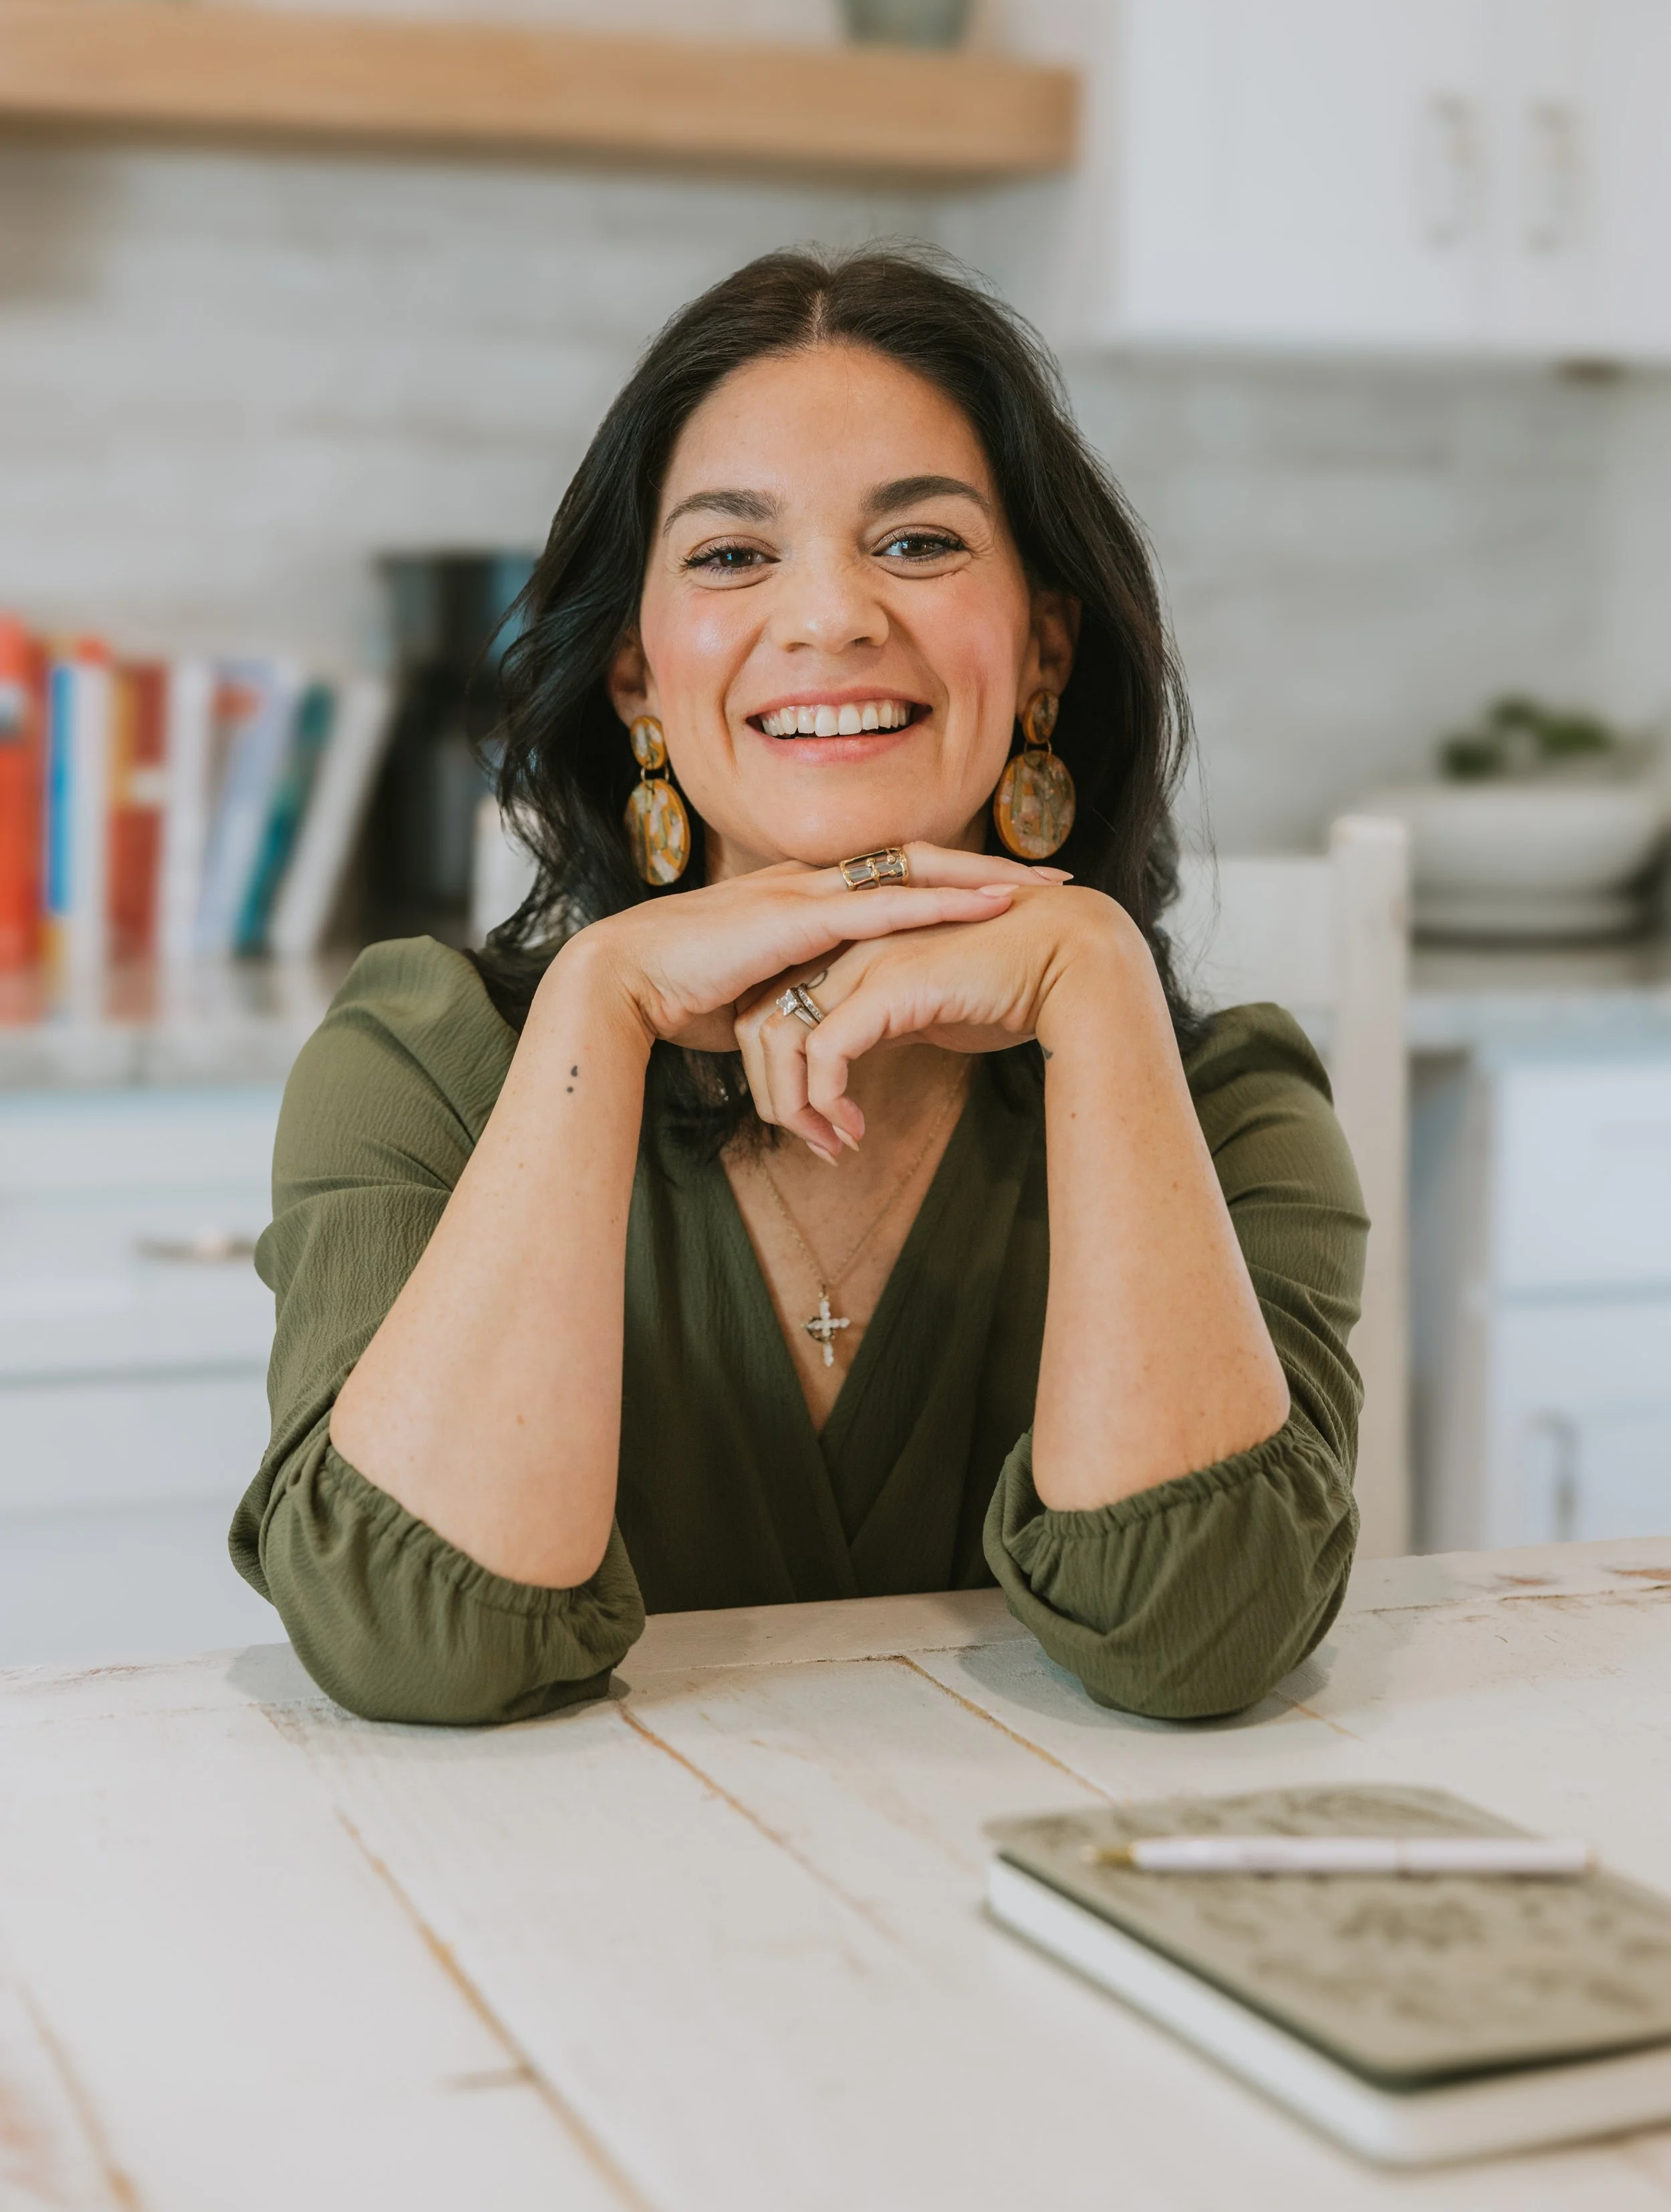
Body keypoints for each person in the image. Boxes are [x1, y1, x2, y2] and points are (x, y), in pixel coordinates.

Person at [231, 247, 1364, 1729]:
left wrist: (1092, 980)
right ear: (636, 679)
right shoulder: (419, 1065)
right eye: (728, 553)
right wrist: (600, 1002)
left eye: (916, 545)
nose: (828, 616)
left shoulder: (1224, 1111)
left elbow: (1193, 1631)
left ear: (1041, 652)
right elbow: (409, 1639)